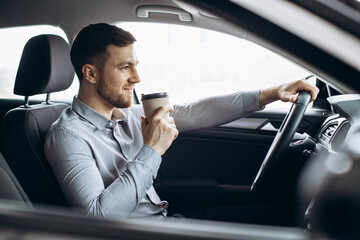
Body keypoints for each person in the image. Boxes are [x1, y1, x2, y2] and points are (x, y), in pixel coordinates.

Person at [44, 23, 319, 219]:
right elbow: (97, 217)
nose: (137, 78)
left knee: (280, 215)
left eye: (136, 65)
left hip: (167, 221)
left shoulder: (125, 114)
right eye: (125, 67)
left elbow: (196, 110)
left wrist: (272, 93)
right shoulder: (68, 134)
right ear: (90, 74)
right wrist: (151, 151)